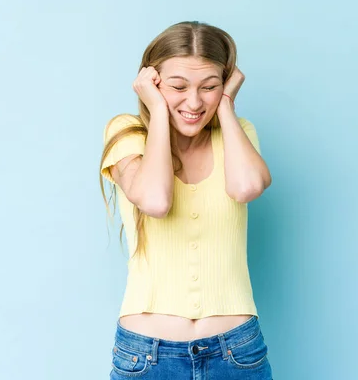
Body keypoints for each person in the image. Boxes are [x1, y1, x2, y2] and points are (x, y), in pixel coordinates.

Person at [99, 20, 273, 379]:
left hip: (237, 351)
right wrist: (159, 112)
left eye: (209, 87)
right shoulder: (126, 134)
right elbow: (155, 200)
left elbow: (247, 188)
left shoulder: (239, 135)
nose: (194, 102)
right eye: (178, 86)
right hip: (146, 356)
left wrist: (225, 106)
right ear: (152, 83)